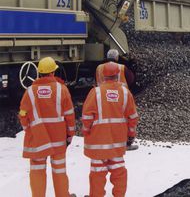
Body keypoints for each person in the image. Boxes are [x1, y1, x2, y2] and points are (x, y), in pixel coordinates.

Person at [18, 57, 76, 197]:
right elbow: (69, 115)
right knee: (59, 170)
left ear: (39, 73)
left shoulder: (30, 91)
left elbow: (23, 114)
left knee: (37, 171)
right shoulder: (62, 89)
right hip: (58, 139)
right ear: (52, 73)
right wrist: (70, 134)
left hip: (38, 139)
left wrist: (29, 130)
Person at [82, 62, 139, 197]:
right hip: (117, 142)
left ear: (103, 75)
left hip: (98, 143)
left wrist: (87, 131)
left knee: (97, 173)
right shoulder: (125, 93)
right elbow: (133, 117)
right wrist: (130, 135)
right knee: (119, 171)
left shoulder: (95, 92)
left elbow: (87, 116)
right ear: (118, 75)